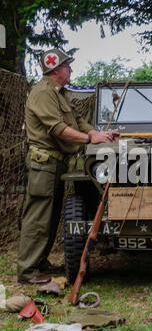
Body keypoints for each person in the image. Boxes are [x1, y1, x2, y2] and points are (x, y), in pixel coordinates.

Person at [18, 48, 119, 284]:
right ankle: (28, 271)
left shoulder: (59, 93)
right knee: (38, 218)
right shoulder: (42, 93)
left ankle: (39, 263)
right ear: (57, 70)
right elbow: (58, 129)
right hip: (44, 163)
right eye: (67, 66)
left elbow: (77, 120)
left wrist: (98, 133)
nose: (71, 70)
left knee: (50, 217)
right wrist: (89, 139)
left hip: (55, 163)